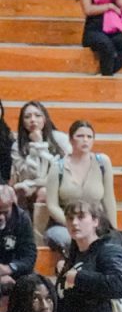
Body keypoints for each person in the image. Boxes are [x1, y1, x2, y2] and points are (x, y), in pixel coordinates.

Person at [43, 121, 118, 254]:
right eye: (80, 136)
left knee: (111, 241)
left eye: (89, 137)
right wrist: (73, 223)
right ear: (71, 140)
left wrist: (114, 229)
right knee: (72, 239)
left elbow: (108, 199)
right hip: (65, 224)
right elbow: (52, 205)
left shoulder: (103, 162)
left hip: (95, 223)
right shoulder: (57, 167)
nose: (85, 140)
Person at [10, 101, 70, 240]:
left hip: (61, 185)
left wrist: (40, 144)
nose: (33, 120)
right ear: (22, 122)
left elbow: (66, 169)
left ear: (45, 118)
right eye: (27, 117)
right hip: (31, 190)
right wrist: (37, 146)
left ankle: (40, 238)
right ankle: (33, 238)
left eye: (37, 115)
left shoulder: (60, 138)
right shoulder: (17, 145)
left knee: (44, 192)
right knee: (33, 192)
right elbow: (32, 174)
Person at [0, 186, 36, 312]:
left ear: (12, 205)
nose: (1, 217)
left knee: (33, 284)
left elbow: (29, 257)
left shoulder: (21, 219)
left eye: (4, 211)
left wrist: (9, 268)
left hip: (14, 273)